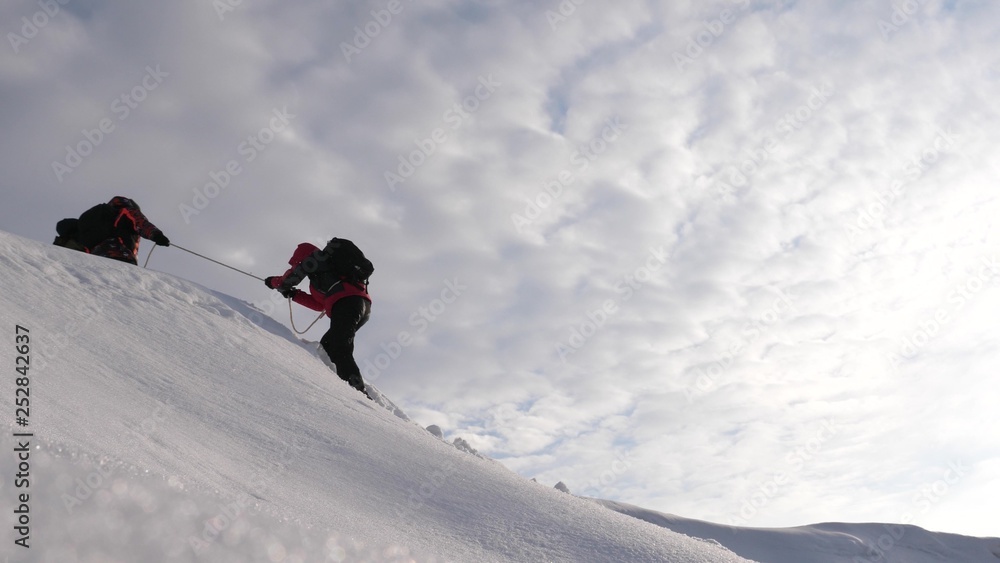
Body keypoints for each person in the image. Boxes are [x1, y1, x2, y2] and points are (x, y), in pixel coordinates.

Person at [265, 239, 374, 399]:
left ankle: (358, 393)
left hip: (348, 304)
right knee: (328, 346)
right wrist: (294, 295)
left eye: (295, 261)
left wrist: (273, 282)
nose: (294, 264)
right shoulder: (325, 274)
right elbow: (319, 305)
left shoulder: (313, 256)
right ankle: (338, 382)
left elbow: (288, 280)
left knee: (339, 347)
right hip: (360, 307)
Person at [54, 196, 170, 264]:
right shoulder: (125, 212)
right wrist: (156, 235)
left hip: (94, 260)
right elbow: (140, 222)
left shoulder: (92, 221)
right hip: (120, 255)